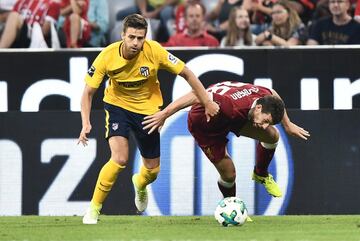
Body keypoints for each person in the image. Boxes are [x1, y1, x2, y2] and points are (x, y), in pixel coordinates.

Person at [78, 13, 219, 224]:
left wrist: (207, 102)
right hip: (117, 106)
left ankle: (140, 184)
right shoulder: (107, 56)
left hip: (148, 111)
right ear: (123, 35)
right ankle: (94, 209)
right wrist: (86, 122)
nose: (136, 43)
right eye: (132, 37)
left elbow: (187, 73)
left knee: (153, 170)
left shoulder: (155, 51)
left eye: (140, 38)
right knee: (119, 159)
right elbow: (87, 93)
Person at [142, 81, 310, 199]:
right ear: (258, 107)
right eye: (266, 121)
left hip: (234, 117)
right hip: (205, 124)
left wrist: (287, 125)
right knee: (229, 174)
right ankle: (231, 204)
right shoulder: (229, 105)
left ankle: (261, 174)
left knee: (272, 135)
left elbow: (274, 95)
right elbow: (195, 94)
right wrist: (164, 114)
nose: (265, 125)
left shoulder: (262, 98)